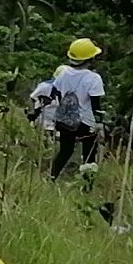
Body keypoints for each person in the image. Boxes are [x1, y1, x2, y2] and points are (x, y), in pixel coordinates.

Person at [49, 38, 104, 180]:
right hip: (85, 122)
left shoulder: (63, 73)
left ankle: (51, 177)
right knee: (89, 155)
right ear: (90, 58)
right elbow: (95, 104)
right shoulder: (94, 78)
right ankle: (87, 186)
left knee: (65, 151)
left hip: (64, 119)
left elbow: (55, 92)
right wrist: (99, 123)